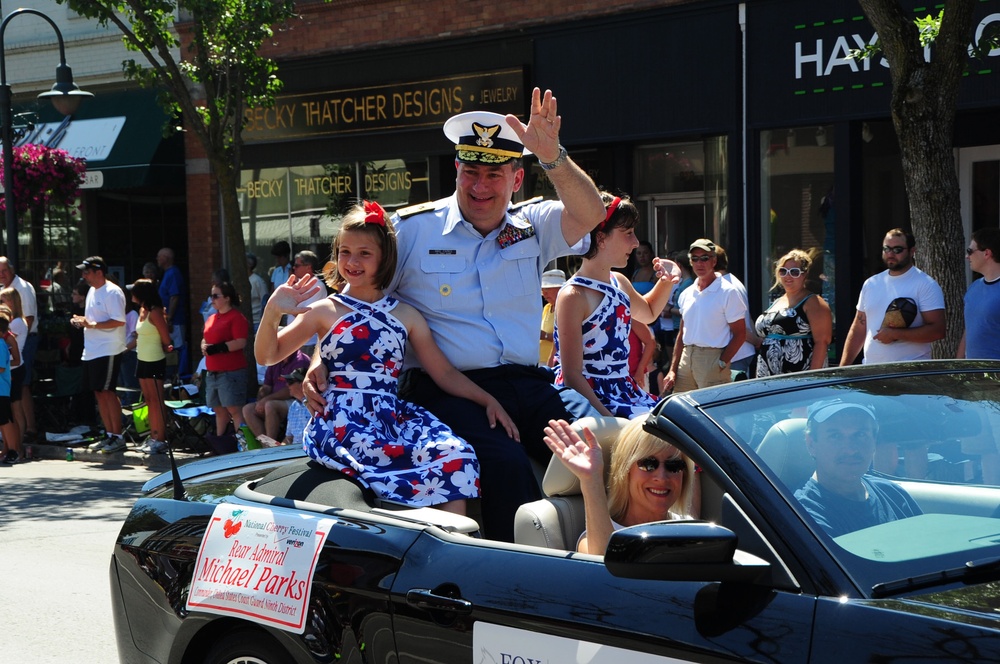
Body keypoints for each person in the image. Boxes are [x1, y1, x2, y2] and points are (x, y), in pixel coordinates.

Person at [304, 90, 605, 540]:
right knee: (504, 463)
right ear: (457, 170)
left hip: (528, 383)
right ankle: (517, 583)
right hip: (449, 388)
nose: (480, 187)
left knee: (605, 439)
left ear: (517, 178)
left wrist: (553, 156)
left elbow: (593, 212)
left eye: (494, 174)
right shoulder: (410, 230)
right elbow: (354, 302)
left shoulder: (532, 224)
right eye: (471, 172)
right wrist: (321, 359)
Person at [257, 201, 518, 515]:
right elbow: (269, 354)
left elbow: (444, 373)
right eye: (345, 252)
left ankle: (452, 548)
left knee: (455, 455)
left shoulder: (407, 315)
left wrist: (487, 400)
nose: (352, 262)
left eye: (364, 253)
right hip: (342, 421)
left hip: (389, 418)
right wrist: (273, 310)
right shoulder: (324, 310)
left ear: (385, 258)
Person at [554, 193, 678, 418]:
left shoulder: (619, 281)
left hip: (624, 392)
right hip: (592, 401)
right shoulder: (573, 295)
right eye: (628, 233)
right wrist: (609, 420)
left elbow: (649, 312)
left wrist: (667, 281)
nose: (636, 242)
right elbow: (571, 375)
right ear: (601, 238)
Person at [542, 417, 697, 555]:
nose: (661, 477)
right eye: (648, 464)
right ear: (625, 470)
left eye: (674, 465)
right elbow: (604, 568)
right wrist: (591, 479)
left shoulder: (690, 528)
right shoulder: (596, 539)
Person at [794, 400, 921, 538]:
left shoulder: (892, 493)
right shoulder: (806, 516)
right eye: (835, 436)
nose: (850, 449)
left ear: (874, 441)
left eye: (860, 435)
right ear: (811, 444)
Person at [840, 228, 946, 367]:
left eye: (897, 250)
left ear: (912, 251)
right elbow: (859, 328)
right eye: (886, 249)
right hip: (871, 371)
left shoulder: (925, 284)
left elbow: (938, 331)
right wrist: (842, 369)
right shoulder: (871, 284)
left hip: (909, 373)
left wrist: (896, 334)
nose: (890, 254)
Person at [662, 239, 747, 394]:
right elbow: (682, 334)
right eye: (695, 259)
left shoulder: (728, 292)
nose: (699, 263)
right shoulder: (687, 293)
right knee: (684, 412)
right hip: (686, 359)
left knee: (715, 413)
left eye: (704, 258)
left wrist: (721, 362)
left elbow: (740, 334)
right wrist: (672, 370)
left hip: (712, 358)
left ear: (714, 261)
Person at [72, 257, 128, 453]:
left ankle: (118, 437)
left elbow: (119, 321)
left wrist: (91, 324)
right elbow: (94, 319)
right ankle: (109, 434)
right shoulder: (91, 291)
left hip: (109, 349)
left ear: (99, 272)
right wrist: (82, 320)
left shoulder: (112, 292)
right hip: (93, 350)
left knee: (108, 392)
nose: (84, 275)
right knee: (99, 392)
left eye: (86, 272)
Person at [752, 249, 833, 376]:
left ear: (804, 274)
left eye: (794, 272)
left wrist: (812, 379)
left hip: (798, 376)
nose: (788, 276)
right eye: (783, 271)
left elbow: (822, 341)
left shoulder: (813, 302)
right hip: (767, 375)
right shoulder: (777, 301)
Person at [201, 281, 250, 451]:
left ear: (227, 298)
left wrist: (219, 348)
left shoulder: (236, 317)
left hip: (231, 372)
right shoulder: (212, 317)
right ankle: (220, 445)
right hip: (212, 371)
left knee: (234, 409)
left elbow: (241, 342)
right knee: (219, 409)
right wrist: (204, 346)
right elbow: (206, 337)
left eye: (216, 296)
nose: (212, 299)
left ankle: (242, 445)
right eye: (211, 296)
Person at [130, 279, 173, 455]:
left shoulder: (155, 312)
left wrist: (165, 346)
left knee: (156, 400)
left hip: (155, 359)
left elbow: (166, 339)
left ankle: (160, 439)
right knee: (148, 400)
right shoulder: (141, 310)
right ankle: (153, 436)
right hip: (142, 359)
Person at [0, 257, 39, 443]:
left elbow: (27, 320)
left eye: (4, 271)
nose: (1, 275)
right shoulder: (3, 288)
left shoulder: (22, 288)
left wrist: (16, 347)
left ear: (11, 270)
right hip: (11, 341)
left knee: (21, 386)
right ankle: (12, 439)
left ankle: (28, 430)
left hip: (24, 340)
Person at [241, 349, 309, 440]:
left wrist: (266, 400)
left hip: (297, 399)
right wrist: (260, 401)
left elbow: (291, 390)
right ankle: (266, 444)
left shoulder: (300, 360)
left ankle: (271, 445)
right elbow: (266, 387)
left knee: (270, 405)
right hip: (275, 399)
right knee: (248, 409)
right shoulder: (275, 361)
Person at [958, 227, 1000, 360]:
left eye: (970, 251)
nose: (967, 256)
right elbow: (968, 330)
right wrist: (958, 366)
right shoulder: (974, 288)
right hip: (972, 374)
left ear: (987, 253)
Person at [256, 367, 312, 447]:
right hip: (294, 452)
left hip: (310, 450)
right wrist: (280, 448)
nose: (287, 385)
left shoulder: (315, 403)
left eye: (291, 382)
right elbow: (289, 438)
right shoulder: (293, 406)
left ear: (302, 384)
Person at [0, 291, 27, 445]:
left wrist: (4, 366)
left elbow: (15, 358)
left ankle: (17, 446)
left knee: (15, 411)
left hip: (14, 370)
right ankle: (9, 446)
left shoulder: (13, 326)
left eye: (3, 301)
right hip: (9, 370)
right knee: (7, 412)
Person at [156, 248, 187, 370]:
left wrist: (169, 317)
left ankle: (178, 376)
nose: (157, 259)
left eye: (159, 256)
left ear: (166, 258)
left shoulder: (173, 273)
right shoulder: (167, 273)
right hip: (170, 320)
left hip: (175, 321)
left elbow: (174, 297)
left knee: (177, 349)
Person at [0, 316, 20, 464]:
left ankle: (14, 450)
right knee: (2, 422)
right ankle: (7, 450)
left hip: (2, 390)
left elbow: (1, 368)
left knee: (6, 421)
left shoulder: (1, 345)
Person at [539, 268, 566, 367]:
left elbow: (565, 336)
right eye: (543, 290)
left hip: (555, 362)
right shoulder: (547, 307)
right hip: (540, 360)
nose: (544, 294)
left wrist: (545, 335)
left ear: (560, 288)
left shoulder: (565, 308)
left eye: (548, 289)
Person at [246, 252, 269, 330]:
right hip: (244, 321)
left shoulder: (257, 281)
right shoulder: (240, 281)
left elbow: (265, 301)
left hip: (256, 322)